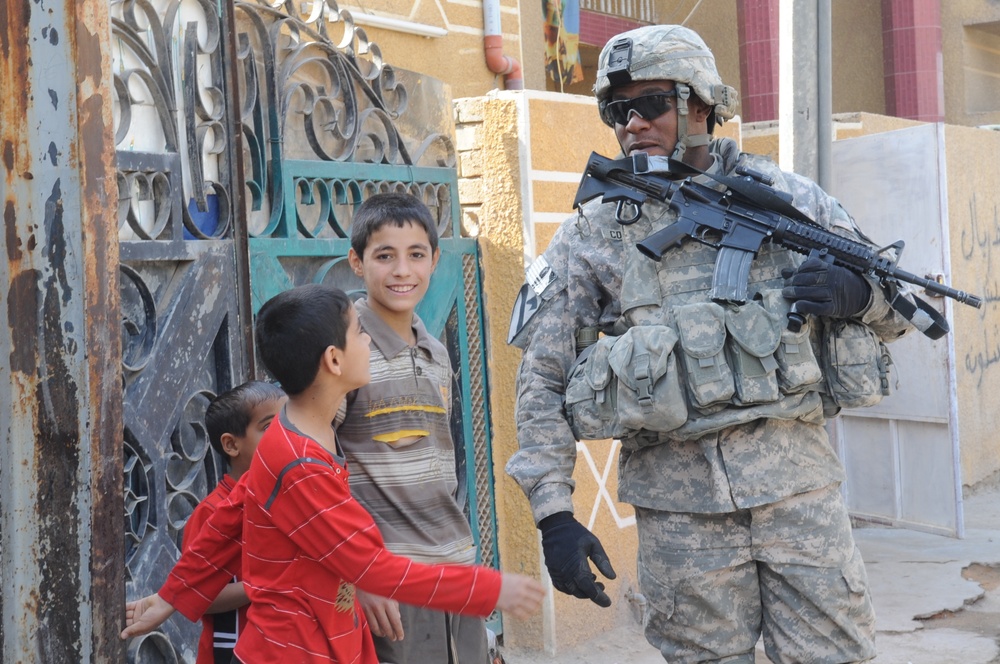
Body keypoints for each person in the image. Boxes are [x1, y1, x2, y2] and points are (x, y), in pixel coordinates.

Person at [505, 25, 919, 664]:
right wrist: (554, 514)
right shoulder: (593, 232)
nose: (632, 125)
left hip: (798, 498)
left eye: (651, 105)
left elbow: (904, 310)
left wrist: (856, 295)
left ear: (701, 103)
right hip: (680, 517)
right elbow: (542, 375)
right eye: (618, 112)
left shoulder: (788, 200)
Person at [121, 284, 544, 663]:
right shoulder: (299, 465)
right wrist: (488, 590)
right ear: (334, 360)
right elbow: (374, 570)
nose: (369, 341)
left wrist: (170, 596)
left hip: (325, 634)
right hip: (295, 648)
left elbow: (230, 520)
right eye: (361, 331)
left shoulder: (291, 433)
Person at [339, 191, 495, 663]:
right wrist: (358, 573)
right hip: (390, 580)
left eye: (416, 255)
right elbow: (317, 469)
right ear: (356, 262)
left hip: (455, 569)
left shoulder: (435, 350)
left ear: (435, 261)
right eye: (384, 256)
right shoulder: (346, 350)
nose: (402, 271)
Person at [185, 380, 286, 664]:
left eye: (287, 423)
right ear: (231, 444)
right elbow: (198, 594)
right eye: (269, 427)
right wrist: (266, 584)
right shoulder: (212, 513)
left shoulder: (290, 503)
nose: (284, 435)